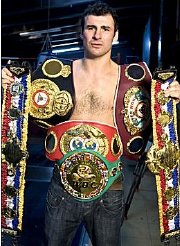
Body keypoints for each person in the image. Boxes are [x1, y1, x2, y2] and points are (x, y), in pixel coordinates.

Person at [1, 2, 180, 246]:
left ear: (115, 34)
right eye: (91, 28)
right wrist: (11, 84)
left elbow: (159, 118)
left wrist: (170, 97)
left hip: (111, 190)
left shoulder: (135, 80)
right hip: (62, 189)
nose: (97, 35)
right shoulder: (55, 74)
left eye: (105, 29)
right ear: (81, 32)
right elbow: (24, 106)